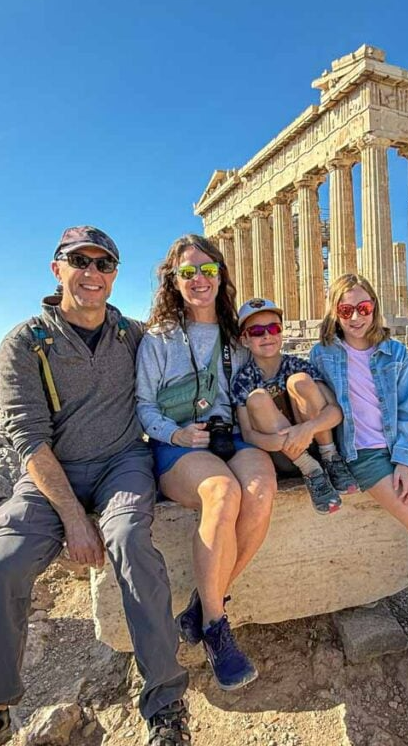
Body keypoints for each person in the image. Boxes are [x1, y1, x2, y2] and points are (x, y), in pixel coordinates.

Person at [0, 226, 190, 746]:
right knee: (4, 564)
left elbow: (185, 364)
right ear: (56, 268)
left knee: (130, 542)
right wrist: (75, 520)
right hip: (50, 473)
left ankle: (166, 705)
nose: (92, 273)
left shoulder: (133, 334)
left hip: (122, 464)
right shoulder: (26, 341)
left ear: (115, 275)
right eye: (79, 261)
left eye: (104, 264)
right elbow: (28, 438)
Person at [135, 234, 276, 691]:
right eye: (188, 272)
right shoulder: (159, 339)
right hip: (177, 444)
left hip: (229, 436)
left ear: (221, 275)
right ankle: (216, 625)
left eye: (208, 270)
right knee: (223, 492)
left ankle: (199, 605)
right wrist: (175, 433)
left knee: (259, 490)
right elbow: (144, 407)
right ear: (173, 281)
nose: (199, 279)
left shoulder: (236, 337)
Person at [309, 274, 408, 643]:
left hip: (399, 447)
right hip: (364, 457)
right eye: (347, 310)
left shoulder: (395, 352)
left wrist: (406, 463)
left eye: (364, 308)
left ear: (374, 307)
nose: (356, 317)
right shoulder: (323, 354)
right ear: (335, 312)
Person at [231, 297, 359, 514]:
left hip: (317, 442)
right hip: (285, 454)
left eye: (273, 328)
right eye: (256, 332)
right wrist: (286, 440)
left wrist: (307, 429)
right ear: (244, 340)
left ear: (281, 332)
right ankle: (311, 471)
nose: (267, 336)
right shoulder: (243, 379)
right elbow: (249, 434)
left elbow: (336, 411)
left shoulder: (298, 365)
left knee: (299, 381)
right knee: (258, 398)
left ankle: (330, 458)